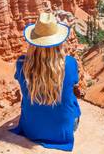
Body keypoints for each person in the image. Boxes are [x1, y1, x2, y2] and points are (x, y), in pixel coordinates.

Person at [10, 12, 81, 152]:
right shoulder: (70, 64)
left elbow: (19, 79)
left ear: (33, 42)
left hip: (31, 130)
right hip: (62, 132)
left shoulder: (21, 64)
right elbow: (74, 83)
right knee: (72, 101)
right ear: (58, 41)